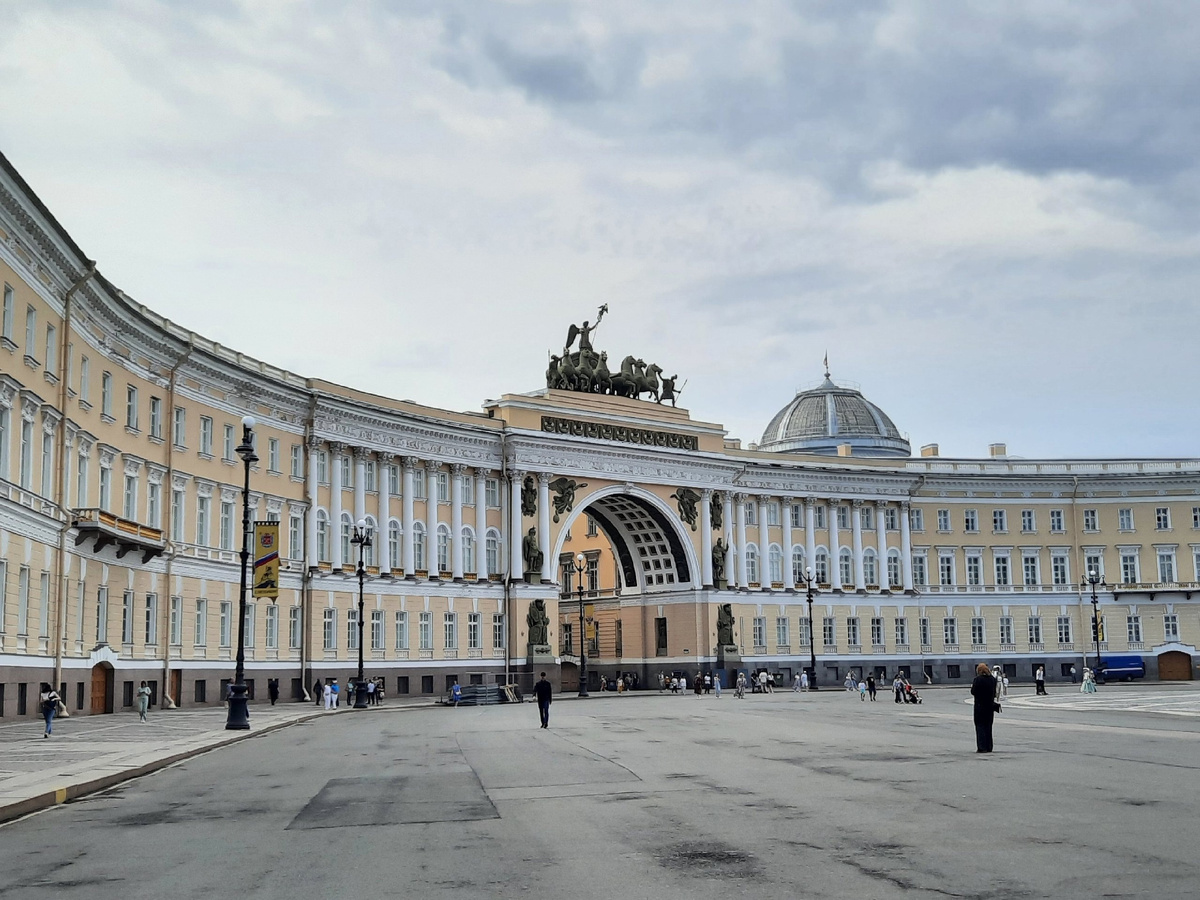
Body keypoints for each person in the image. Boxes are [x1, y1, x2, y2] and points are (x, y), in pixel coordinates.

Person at [970, 662, 999, 752]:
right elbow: (994, 693)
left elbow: (973, 691)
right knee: (988, 727)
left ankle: (982, 747)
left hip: (980, 706)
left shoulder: (977, 680)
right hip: (990, 706)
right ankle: (989, 746)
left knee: (980, 726)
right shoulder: (992, 679)